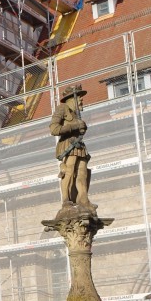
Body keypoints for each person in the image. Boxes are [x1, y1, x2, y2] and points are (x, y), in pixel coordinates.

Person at [50, 84, 94, 212]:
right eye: (79, 97)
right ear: (71, 98)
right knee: (69, 171)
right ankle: (66, 201)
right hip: (68, 145)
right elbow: (54, 129)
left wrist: (82, 127)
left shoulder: (76, 114)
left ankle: (83, 200)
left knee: (82, 173)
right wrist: (75, 126)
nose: (81, 100)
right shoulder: (62, 108)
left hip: (79, 146)